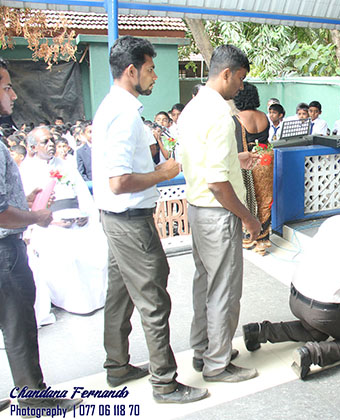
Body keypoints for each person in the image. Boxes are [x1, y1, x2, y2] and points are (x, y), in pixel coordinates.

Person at [91, 35, 208, 404]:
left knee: (120, 293)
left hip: (115, 218)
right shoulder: (124, 115)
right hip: (129, 219)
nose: (154, 76)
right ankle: (165, 382)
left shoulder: (112, 107)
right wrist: (163, 172)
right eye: (150, 69)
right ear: (131, 71)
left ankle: (117, 365)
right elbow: (120, 181)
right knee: (154, 299)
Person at [0, 56, 82, 413]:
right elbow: (1, 213)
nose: (13, 94)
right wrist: (34, 215)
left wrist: (25, 200)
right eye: (5, 86)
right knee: (19, 328)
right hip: (5, 254)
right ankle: (34, 398)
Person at [178, 44, 261, 383]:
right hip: (218, 212)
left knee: (205, 285)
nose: (241, 87)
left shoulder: (192, 108)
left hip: (197, 211)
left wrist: (233, 161)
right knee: (224, 290)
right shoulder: (220, 116)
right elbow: (217, 184)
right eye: (240, 79)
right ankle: (218, 363)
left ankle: (204, 349)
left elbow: (198, 161)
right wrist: (249, 217)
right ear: (226, 73)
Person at [242, 214, 340, 379]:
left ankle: (259, 331)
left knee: (317, 333)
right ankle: (310, 354)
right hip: (324, 311)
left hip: (296, 297)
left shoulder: (339, 219)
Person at [20, 126, 108, 325]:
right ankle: (69, 301)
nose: (51, 144)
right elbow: (27, 206)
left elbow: (82, 193)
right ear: (33, 147)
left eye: (52, 140)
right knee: (69, 257)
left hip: (76, 218)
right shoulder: (26, 169)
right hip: (47, 226)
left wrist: (85, 215)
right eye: (45, 142)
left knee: (94, 251)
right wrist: (51, 221)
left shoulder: (65, 164)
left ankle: (95, 298)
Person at [233, 82, 273, 255]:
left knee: (248, 197)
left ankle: (250, 237)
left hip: (249, 160)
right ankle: (264, 239)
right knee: (265, 198)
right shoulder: (264, 115)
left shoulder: (238, 118)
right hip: (266, 158)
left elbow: (238, 147)